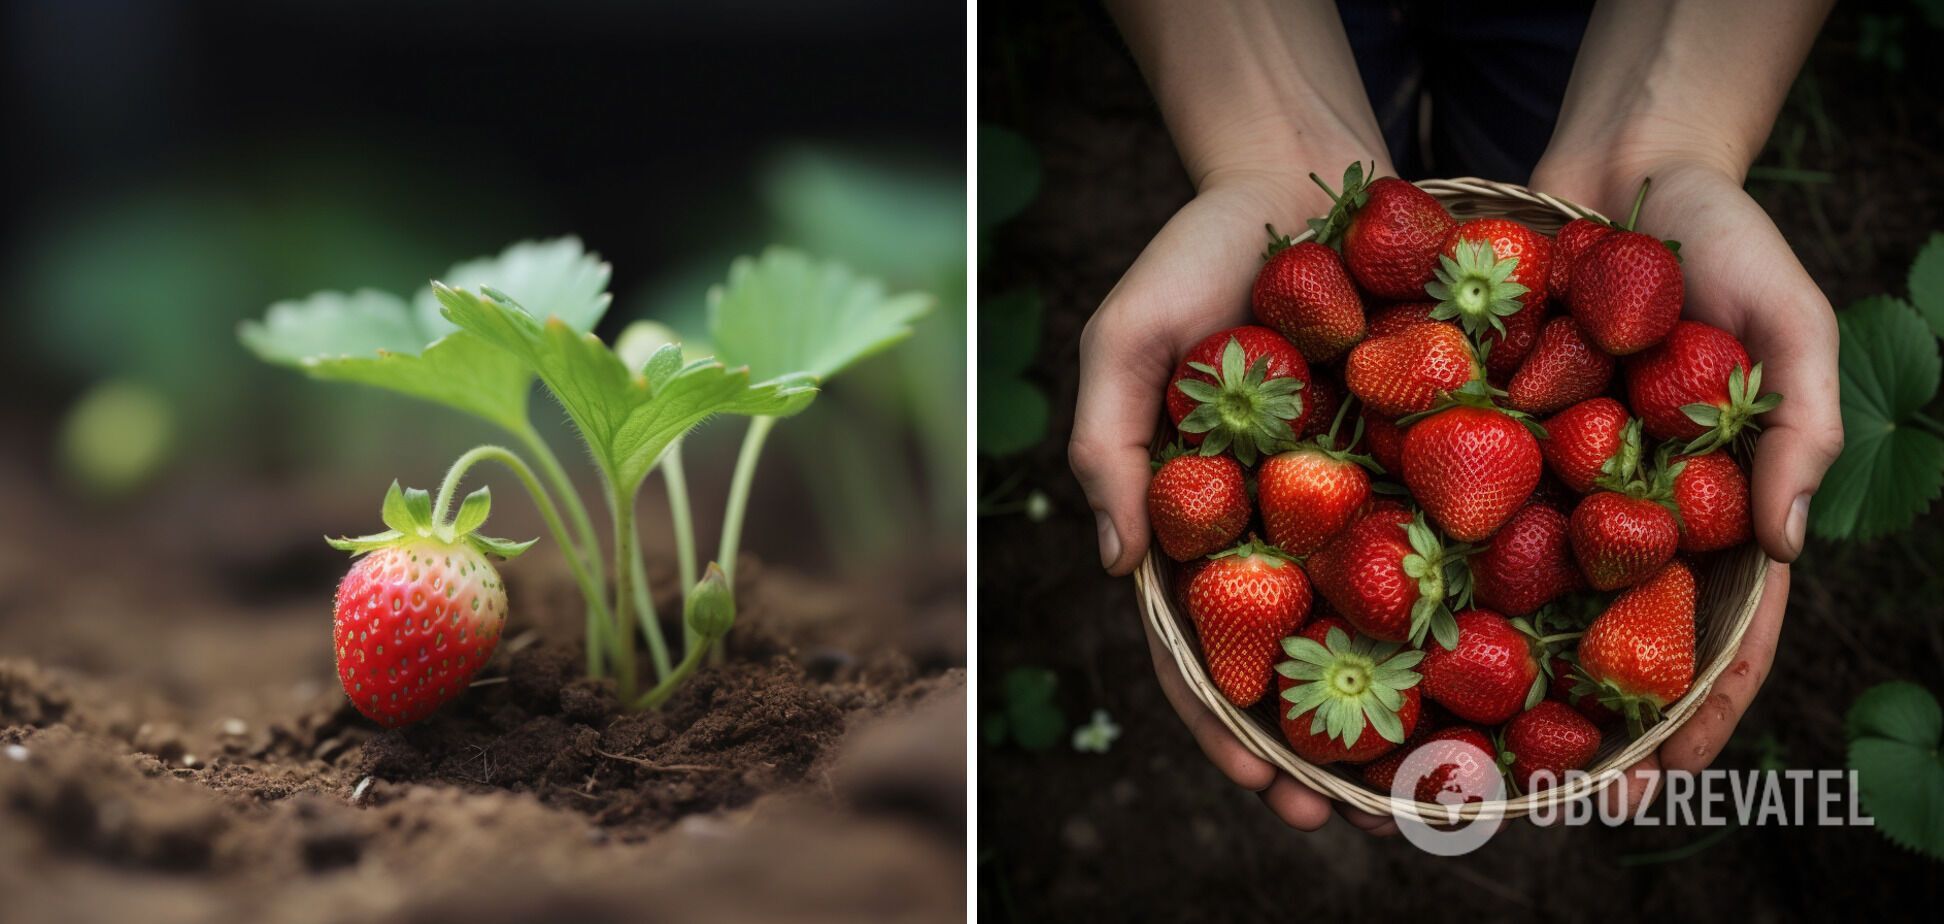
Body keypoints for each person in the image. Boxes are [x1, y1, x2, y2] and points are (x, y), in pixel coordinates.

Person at [1069, 0, 1841, 835]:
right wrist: (1264, 143)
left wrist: (1667, 144)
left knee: (1522, 108)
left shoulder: (1457, 413)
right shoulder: (1435, 408)